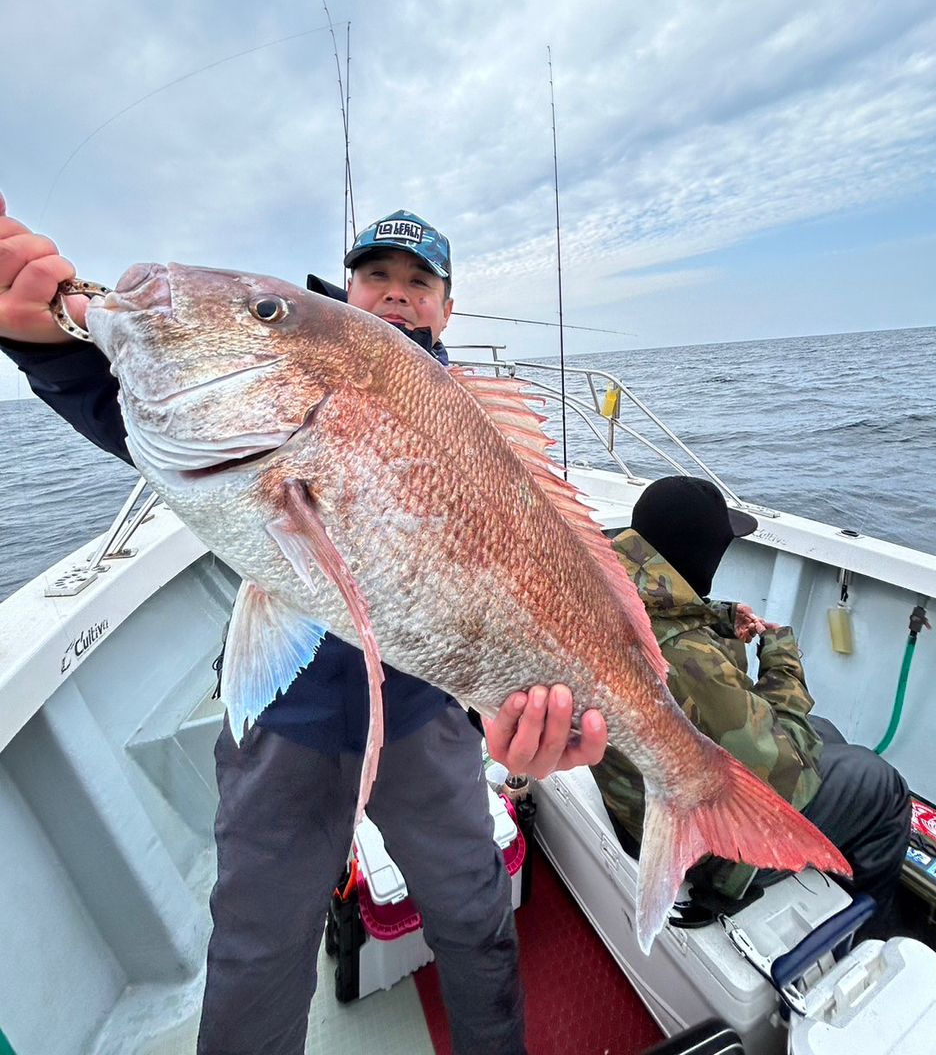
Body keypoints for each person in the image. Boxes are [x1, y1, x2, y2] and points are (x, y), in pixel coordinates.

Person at [0, 195, 608, 1055]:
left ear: (446, 305)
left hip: (426, 719)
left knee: (475, 911)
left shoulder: (470, 422)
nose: (396, 293)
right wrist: (40, 340)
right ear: (350, 289)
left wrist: (516, 713)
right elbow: (156, 415)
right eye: (375, 275)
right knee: (255, 947)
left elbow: (513, 579)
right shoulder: (275, 382)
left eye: (418, 281)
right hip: (286, 726)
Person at [592, 474, 912, 935]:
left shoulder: (608, 595)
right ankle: (873, 930)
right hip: (706, 843)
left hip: (643, 792)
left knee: (826, 731)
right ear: (701, 554)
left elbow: (667, 624)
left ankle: (833, 855)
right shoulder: (685, 656)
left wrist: (717, 619)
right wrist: (781, 655)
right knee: (882, 785)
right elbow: (783, 766)